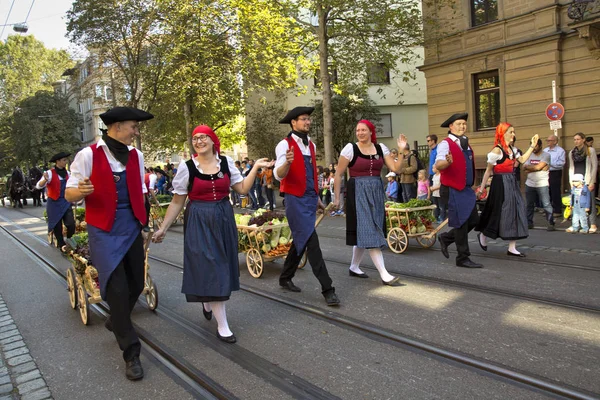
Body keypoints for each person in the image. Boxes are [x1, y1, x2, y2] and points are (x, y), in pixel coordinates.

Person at [153, 125, 273, 343]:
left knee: (220, 265)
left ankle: (207, 300)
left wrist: (255, 167)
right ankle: (223, 325)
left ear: (212, 140)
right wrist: (163, 227)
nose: (198, 141)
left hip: (223, 216)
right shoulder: (187, 167)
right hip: (199, 218)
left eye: (203, 137)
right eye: (195, 138)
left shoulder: (225, 163)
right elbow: (178, 201)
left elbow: (243, 190)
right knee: (212, 266)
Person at [65, 106, 154, 380]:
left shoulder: (136, 156)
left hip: (131, 226)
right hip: (103, 229)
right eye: (133, 127)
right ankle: (131, 353)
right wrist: (80, 191)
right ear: (116, 126)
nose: (136, 132)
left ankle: (116, 320)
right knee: (116, 289)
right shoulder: (88, 155)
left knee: (137, 284)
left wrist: (146, 223)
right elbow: (69, 193)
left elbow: (140, 191)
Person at [274, 106, 340, 305]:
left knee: (301, 240)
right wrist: (286, 162)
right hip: (294, 199)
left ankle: (285, 278)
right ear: (293, 122)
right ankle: (328, 289)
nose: (308, 122)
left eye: (309, 119)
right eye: (304, 119)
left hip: (310, 198)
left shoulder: (310, 144)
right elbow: (278, 174)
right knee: (312, 243)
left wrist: (317, 198)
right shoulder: (283, 145)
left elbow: (310, 174)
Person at [333, 120, 402, 286]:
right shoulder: (350, 149)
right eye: (358, 130)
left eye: (363, 130)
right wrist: (337, 198)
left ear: (371, 131)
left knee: (369, 228)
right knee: (369, 230)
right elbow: (338, 174)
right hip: (358, 191)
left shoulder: (381, 148)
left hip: (376, 190)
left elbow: (396, 169)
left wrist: (401, 150)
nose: (360, 133)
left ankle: (354, 266)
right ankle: (384, 274)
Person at [476, 123, 538, 257]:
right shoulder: (496, 151)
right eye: (510, 132)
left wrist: (532, 146)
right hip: (500, 183)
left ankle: (512, 247)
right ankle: (484, 234)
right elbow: (488, 171)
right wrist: (481, 189)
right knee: (498, 212)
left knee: (516, 209)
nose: (513, 135)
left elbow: (521, 159)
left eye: (514, 132)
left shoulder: (513, 149)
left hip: (511, 182)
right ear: (502, 133)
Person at [435, 113, 483, 268]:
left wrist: (473, 184)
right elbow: (438, 165)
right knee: (461, 224)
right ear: (451, 126)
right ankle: (462, 258)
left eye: (464, 123)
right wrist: (447, 162)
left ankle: (447, 238)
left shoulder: (466, 144)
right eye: (459, 123)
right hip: (452, 189)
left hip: (466, 189)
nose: (462, 126)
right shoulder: (445, 144)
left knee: (474, 220)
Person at [36, 152, 75, 252]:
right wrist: (45, 180)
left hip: (66, 201)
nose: (66, 162)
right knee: (57, 226)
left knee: (70, 224)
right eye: (64, 160)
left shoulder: (68, 173)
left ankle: (70, 241)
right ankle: (62, 245)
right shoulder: (49, 173)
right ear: (58, 162)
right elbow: (38, 186)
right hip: (54, 203)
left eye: (66, 160)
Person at [523, 139, 555, 231]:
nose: (533, 148)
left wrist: (532, 168)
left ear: (540, 145)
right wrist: (536, 168)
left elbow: (538, 167)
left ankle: (550, 223)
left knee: (546, 204)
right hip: (529, 183)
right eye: (532, 146)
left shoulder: (546, 155)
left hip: (542, 183)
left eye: (535, 146)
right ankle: (529, 222)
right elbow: (523, 168)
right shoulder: (528, 155)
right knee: (529, 204)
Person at [569, 132, 597, 233]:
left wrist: (592, 181)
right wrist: (571, 180)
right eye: (575, 139)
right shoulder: (572, 152)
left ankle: (593, 224)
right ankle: (576, 224)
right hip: (576, 180)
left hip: (587, 179)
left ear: (583, 140)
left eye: (578, 139)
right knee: (576, 203)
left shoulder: (590, 151)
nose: (576, 141)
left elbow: (594, 166)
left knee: (589, 202)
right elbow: (571, 167)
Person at [543, 135, 566, 215]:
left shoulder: (560, 151)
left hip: (555, 173)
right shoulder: (545, 150)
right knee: (546, 191)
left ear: (555, 142)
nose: (548, 142)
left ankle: (557, 210)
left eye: (550, 140)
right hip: (545, 173)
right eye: (547, 140)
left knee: (555, 191)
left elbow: (561, 163)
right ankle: (548, 210)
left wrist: (550, 164)